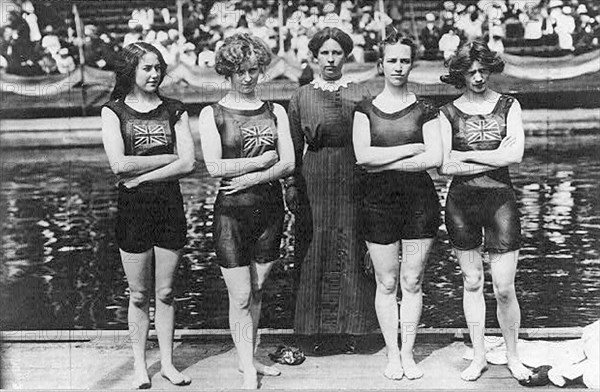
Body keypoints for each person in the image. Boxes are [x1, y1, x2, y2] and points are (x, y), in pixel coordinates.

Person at [197, 33, 295, 390]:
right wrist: (259, 161)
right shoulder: (213, 113)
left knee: (257, 290)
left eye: (254, 70)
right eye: (240, 71)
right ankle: (246, 365)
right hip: (232, 213)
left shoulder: (276, 111)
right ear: (228, 72)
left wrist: (255, 174)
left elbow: (287, 162)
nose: (249, 78)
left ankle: (250, 355)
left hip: (270, 209)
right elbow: (212, 167)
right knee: (239, 294)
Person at [101, 42, 195, 389]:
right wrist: (166, 157)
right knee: (139, 295)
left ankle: (168, 364)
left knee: (166, 292)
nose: (154, 74)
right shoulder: (113, 111)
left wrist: (140, 177)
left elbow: (189, 162)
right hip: (133, 212)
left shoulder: (174, 109)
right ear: (131, 72)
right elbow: (118, 163)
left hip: (169, 208)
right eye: (147, 68)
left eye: (158, 67)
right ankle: (141, 366)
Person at [438, 40, 532, 382]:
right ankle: (478, 355)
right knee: (473, 281)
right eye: (471, 71)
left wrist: (468, 155)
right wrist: (491, 155)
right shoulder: (446, 112)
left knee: (504, 287)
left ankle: (513, 355)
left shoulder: (509, 106)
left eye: (483, 70)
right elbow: (444, 166)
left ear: (491, 69)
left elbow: (515, 156)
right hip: (461, 204)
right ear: (460, 74)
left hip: (500, 202)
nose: (478, 77)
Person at [352, 31, 441, 380]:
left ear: (411, 65)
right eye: (392, 60)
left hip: (419, 204)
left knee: (412, 279)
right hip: (378, 204)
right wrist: (408, 149)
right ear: (380, 65)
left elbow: (434, 157)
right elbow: (362, 157)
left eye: (405, 60)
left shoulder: (426, 108)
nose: (399, 67)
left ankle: (408, 353)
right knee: (386, 283)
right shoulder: (365, 109)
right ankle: (392, 354)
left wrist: (383, 160)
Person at [284, 27, 377, 353]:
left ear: (346, 55)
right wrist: (292, 187)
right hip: (316, 178)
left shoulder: (361, 93)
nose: (331, 59)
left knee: (351, 243)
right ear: (314, 56)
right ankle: (314, 333)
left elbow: (373, 139)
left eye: (337, 52)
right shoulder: (301, 97)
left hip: (353, 176)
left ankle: (355, 330)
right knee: (316, 247)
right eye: (325, 52)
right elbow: (294, 150)